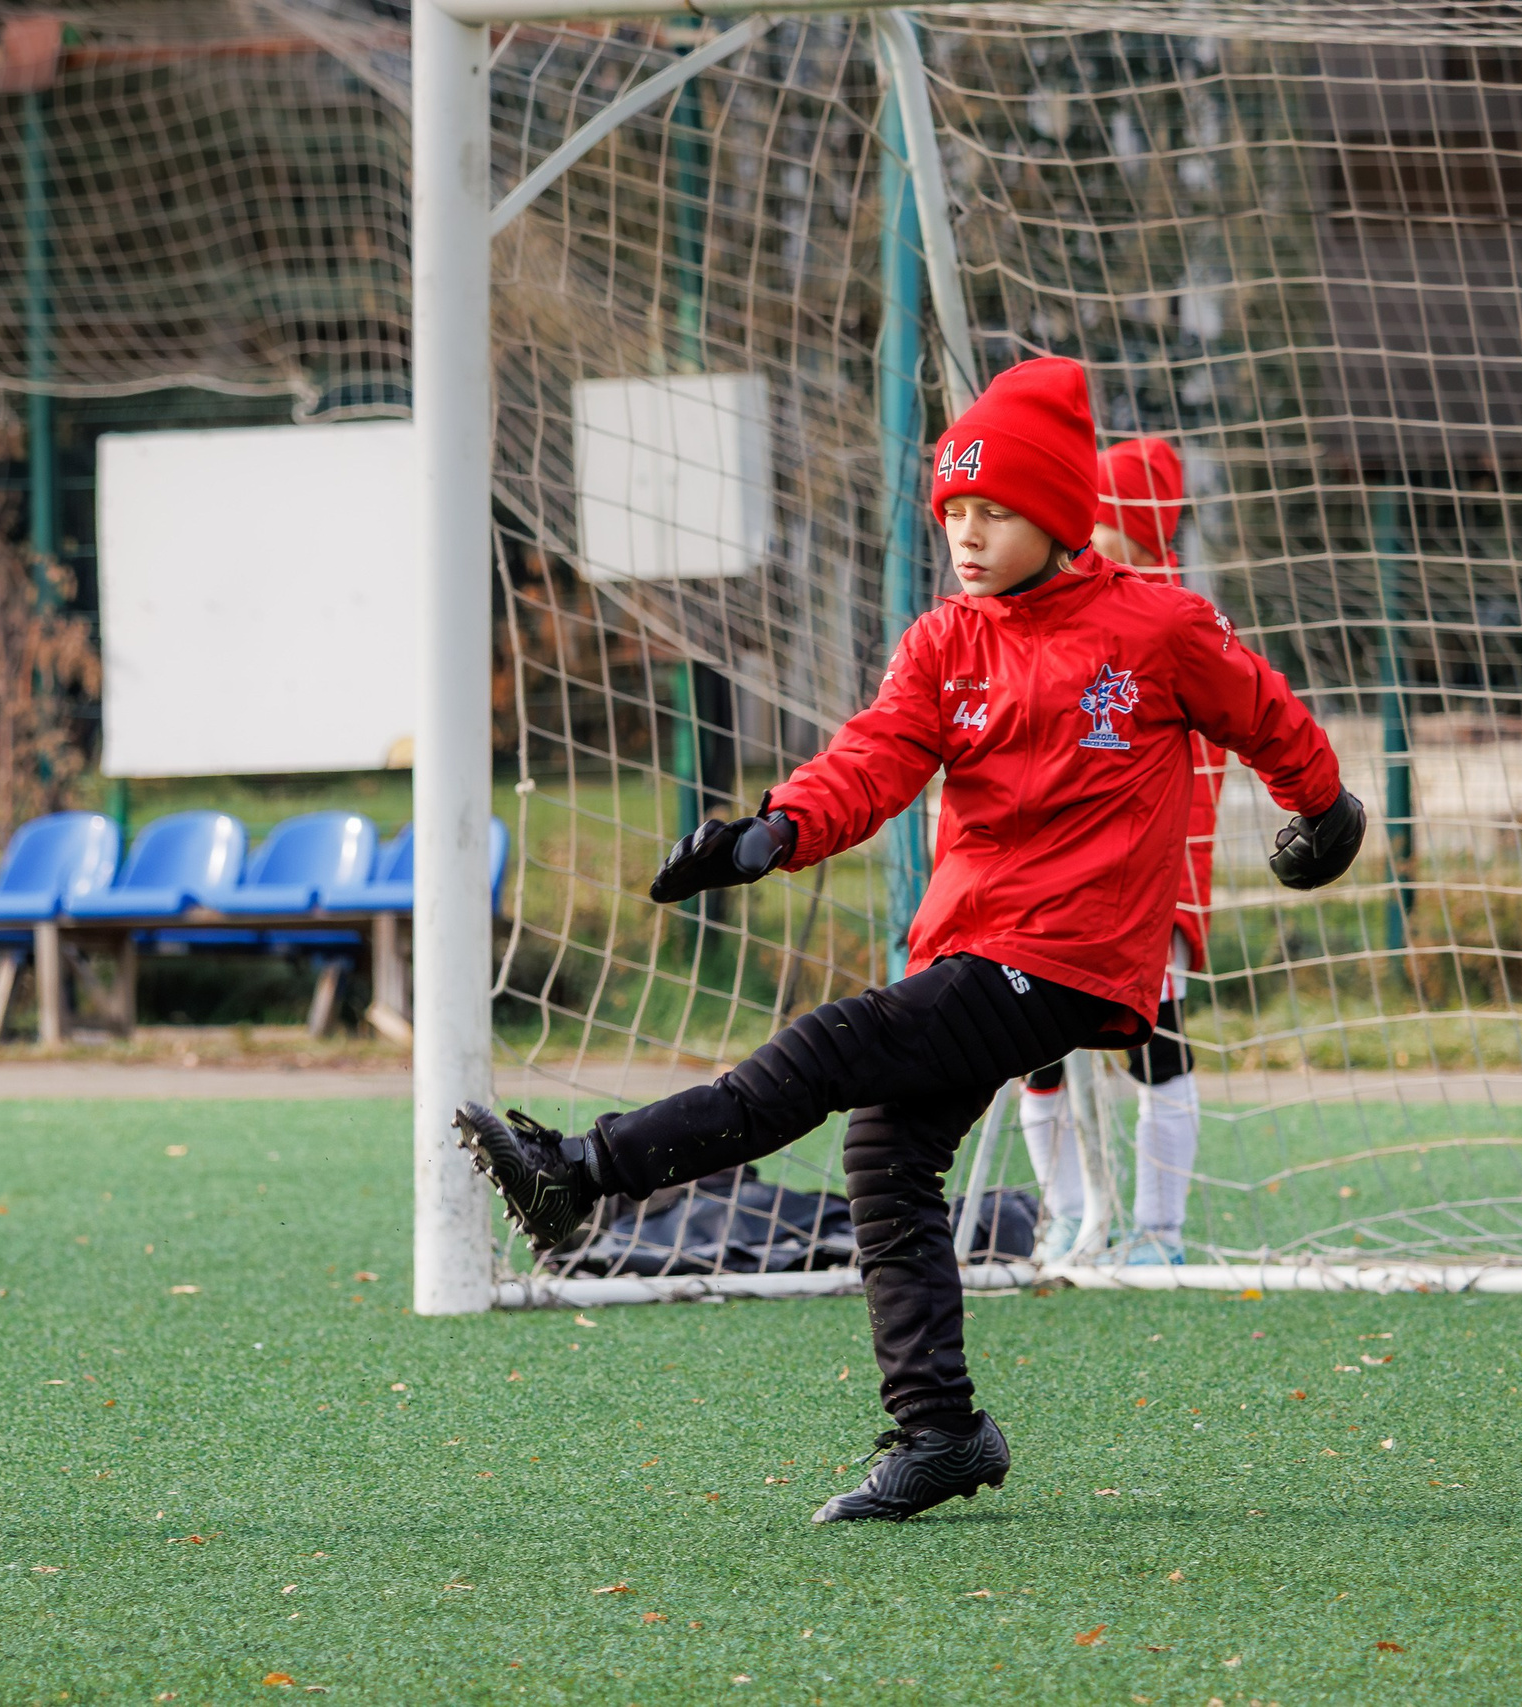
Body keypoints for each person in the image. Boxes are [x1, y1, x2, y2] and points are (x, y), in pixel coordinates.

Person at [455, 356, 1366, 1523]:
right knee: (887, 1166)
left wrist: (1322, 810)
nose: (969, 533)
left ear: (1061, 515)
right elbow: (876, 757)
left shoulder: (1158, 627)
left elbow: (1273, 719)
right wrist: (774, 832)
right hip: (971, 949)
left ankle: (585, 1173)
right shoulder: (944, 642)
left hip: (1074, 955)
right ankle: (940, 1432)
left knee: (834, 1046)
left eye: (996, 511)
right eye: (955, 510)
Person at [1019, 435, 1221, 1267]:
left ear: (1126, 526)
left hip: (1145, 882)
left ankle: (1158, 1235)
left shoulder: (1173, 624)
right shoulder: (1054, 608)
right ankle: (1068, 1215)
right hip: (1049, 886)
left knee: (1154, 1045)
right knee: (1034, 1054)